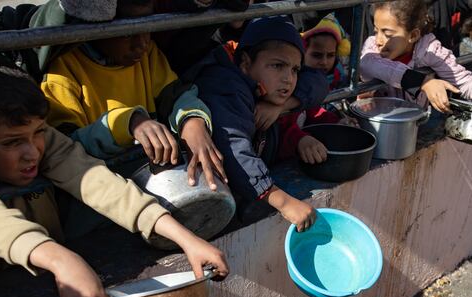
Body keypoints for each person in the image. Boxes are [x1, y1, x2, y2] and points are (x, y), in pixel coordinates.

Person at [0, 55, 228, 297]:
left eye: (37, 133)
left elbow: (95, 181)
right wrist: (61, 259)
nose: (33, 152)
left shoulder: (35, 133)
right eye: (12, 143)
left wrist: (184, 238)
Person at [40, 0, 225, 190]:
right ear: (94, 26)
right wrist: (128, 123)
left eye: (147, 27)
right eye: (127, 33)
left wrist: (192, 121)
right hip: (103, 188)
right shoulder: (63, 71)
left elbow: (175, 95)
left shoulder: (149, 55)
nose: (142, 44)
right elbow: (65, 147)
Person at [191, 16, 330, 231]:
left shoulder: (265, 88)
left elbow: (319, 82)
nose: (288, 79)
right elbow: (233, 148)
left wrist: (282, 107)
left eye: (295, 69)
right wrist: (282, 201)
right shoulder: (226, 86)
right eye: (277, 65)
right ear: (245, 63)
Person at [359, 0, 472, 117]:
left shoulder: (430, 49)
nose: (379, 39)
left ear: (413, 35)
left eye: (387, 34)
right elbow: (368, 65)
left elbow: (464, 82)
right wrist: (424, 82)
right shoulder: (372, 48)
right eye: (376, 30)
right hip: (376, 121)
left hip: (411, 125)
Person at [277, 14, 350, 164]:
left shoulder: (335, 75)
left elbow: (313, 112)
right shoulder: (288, 83)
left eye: (330, 55)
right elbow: (280, 127)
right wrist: (300, 139)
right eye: (317, 55)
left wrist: (337, 123)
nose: (324, 62)